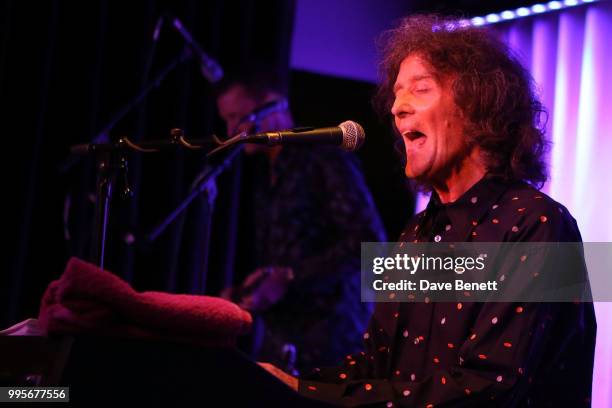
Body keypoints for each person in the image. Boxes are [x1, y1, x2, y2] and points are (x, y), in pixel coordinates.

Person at [260, 15, 597, 407]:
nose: (397, 108)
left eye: (420, 90)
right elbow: (376, 368)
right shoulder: (416, 234)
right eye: (397, 95)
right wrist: (283, 385)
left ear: (478, 106)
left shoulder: (539, 225)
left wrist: (311, 393)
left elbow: (488, 386)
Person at [215, 70, 387, 375]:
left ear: (271, 104)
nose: (231, 130)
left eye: (237, 117)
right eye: (226, 120)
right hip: (284, 333)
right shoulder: (265, 173)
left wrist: (291, 276)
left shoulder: (323, 158)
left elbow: (367, 241)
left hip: (330, 335)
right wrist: (248, 289)